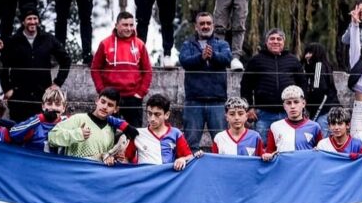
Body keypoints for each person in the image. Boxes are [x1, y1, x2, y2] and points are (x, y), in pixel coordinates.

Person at [2, 6, 72, 122]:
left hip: (42, 95)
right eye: (29, 19)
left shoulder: (48, 39)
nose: (33, 22)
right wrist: (7, 89)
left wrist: (57, 83)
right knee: (18, 129)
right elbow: (3, 65)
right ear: (23, 21)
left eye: (35, 18)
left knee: (42, 127)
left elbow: (66, 59)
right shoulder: (13, 41)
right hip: (19, 96)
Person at [240, 29, 306, 141]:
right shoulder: (256, 60)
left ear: (283, 42)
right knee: (263, 145)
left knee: (289, 144)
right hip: (264, 114)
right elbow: (246, 85)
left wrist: (302, 106)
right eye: (272, 39)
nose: (275, 41)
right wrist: (249, 107)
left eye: (279, 39)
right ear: (266, 42)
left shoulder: (293, 60)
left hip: (288, 113)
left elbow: (302, 84)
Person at [179, 12, 232, 150]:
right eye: (202, 23)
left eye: (208, 23)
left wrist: (212, 55)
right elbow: (184, 61)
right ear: (196, 27)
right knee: (190, 144)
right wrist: (201, 57)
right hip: (194, 101)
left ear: (213, 25)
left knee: (222, 143)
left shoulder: (222, 44)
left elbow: (227, 59)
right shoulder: (187, 45)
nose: (205, 26)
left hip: (217, 101)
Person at [90, 11, 153, 128]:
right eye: (125, 25)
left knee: (134, 132)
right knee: (107, 131)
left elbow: (148, 71)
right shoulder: (105, 43)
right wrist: (101, 90)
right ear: (116, 25)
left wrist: (140, 93)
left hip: (133, 98)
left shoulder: (140, 44)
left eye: (131, 25)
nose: (129, 28)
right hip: (111, 97)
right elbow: (95, 68)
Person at [48, 87, 135, 163]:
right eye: (103, 102)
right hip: (74, 171)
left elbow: (105, 157)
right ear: (97, 101)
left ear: (116, 109)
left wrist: (112, 158)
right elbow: (51, 137)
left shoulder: (111, 130)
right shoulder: (78, 119)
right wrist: (76, 134)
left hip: (96, 175)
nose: (105, 107)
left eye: (110, 105)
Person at [124, 94, 194, 170]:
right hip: (145, 176)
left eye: (157, 114)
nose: (152, 119)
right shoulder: (137, 134)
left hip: (167, 176)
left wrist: (182, 159)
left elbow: (189, 157)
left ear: (167, 115)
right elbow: (126, 159)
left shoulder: (175, 133)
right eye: (149, 113)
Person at [262, 85, 323, 160]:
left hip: (306, 167)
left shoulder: (315, 127)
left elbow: (321, 154)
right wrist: (267, 156)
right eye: (288, 103)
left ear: (303, 103)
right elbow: (270, 152)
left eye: (296, 102)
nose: (292, 106)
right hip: (284, 167)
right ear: (284, 106)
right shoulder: (275, 127)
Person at [9, 86, 69, 152]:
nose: (53, 107)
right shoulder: (36, 123)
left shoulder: (68, 123)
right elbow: (13, 133)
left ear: (64, 108)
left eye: (57, 104)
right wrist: (40, 118)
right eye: (49, 104)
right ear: (43, 106)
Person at [302, 43, 340, 134]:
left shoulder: (318, 66)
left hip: (323, 110)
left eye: (310, 53)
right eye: (306, 53)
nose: (307, 56)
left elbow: (318, 89)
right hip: (324, 110)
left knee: (322, 138)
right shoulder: (318, 67)